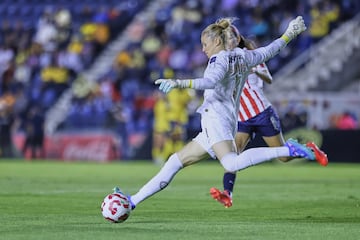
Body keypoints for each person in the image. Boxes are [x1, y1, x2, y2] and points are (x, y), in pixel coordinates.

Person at [113, 16, 325, 211]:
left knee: (231, 163)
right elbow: (270, 50)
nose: (203, 49)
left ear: (216, 41)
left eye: (205, 44)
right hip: (224, 119)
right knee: (174, 162)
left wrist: (178, 82)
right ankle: (132, 201)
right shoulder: (243, 56)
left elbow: (210, 82)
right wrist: (290, 33)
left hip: (217, 119)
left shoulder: (219, 60)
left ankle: (287, 150)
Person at [209, 31, 328, 208]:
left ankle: (307, 147)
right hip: (242, 118)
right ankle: (228, 193)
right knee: (233, 157)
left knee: (283, 157)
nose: (230, 41)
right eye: (227, 38)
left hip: (261, 112)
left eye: (233, 37)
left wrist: (254, 69)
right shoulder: (224, 60)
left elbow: (269, 78)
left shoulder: (251, 56)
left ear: (238, 39)